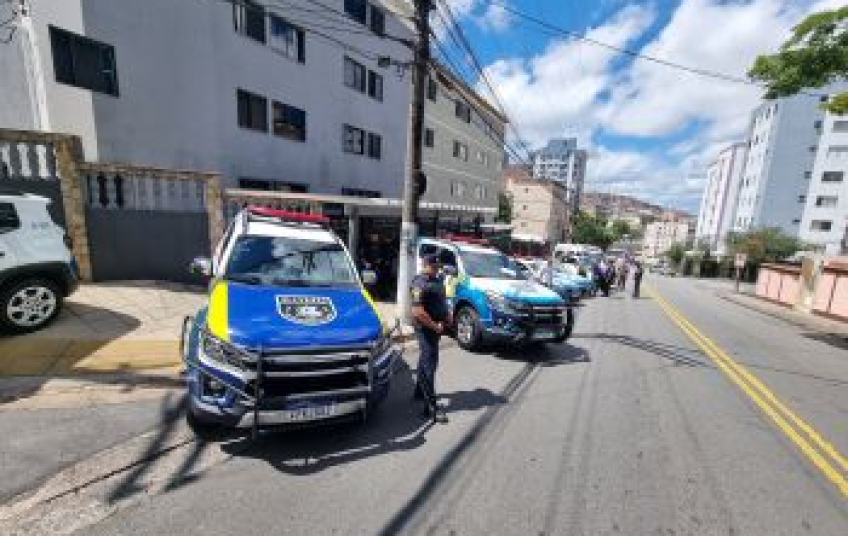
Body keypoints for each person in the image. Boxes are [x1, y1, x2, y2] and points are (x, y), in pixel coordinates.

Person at [410, 255, 450, 423]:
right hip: (425, 328)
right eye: (433, 266)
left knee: (425, 358)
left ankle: (420, 391)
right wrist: (435, 326)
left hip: (436, 326)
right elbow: (418, 312)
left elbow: (442, 300)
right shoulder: (419, 283)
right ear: (425, 265)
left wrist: (448, 315)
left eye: (437, 266)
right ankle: (431, 407)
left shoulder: (438, 279)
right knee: (429, 365)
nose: (436, 268)